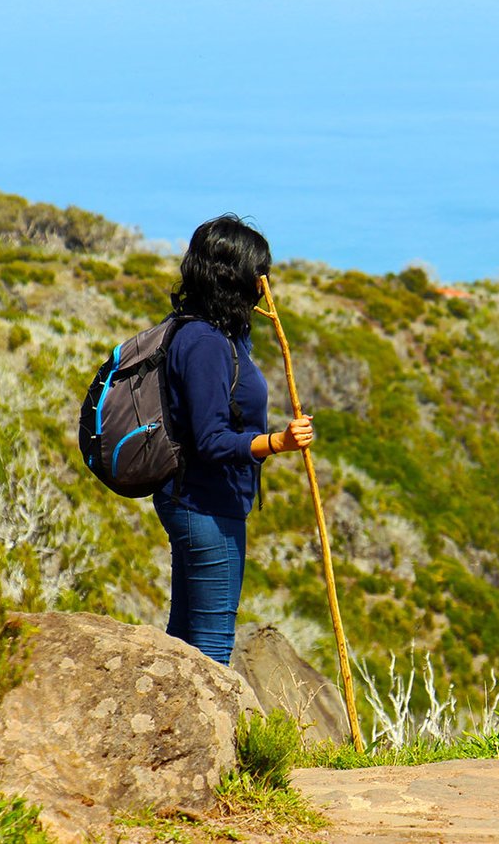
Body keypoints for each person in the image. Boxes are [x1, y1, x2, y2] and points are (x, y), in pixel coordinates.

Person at [155, 214, 314, 664]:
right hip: (205, 506)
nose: (266, 286)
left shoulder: (220, 332)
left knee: (184, 641)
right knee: (211, 650)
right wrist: (276, 443)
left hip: (196, 501)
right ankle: (203, 735)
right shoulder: (204, 341)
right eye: (259, 274)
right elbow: (210, 440)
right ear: (236, 275)